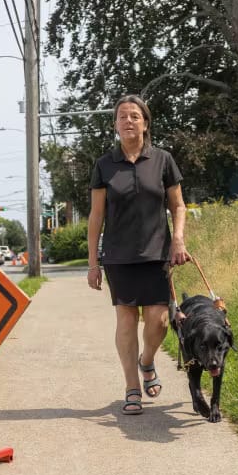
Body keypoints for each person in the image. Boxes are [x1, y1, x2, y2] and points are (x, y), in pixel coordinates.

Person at [86, 95, 189, 415]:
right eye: (121, 117)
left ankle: (147, 362)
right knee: (126, 319)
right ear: (115, 125)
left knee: (158, 321)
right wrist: (93, 262)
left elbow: (178, 206)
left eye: (134, 116)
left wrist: (179, 240)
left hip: (157, 253)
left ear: (145, 123)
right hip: (119, 255)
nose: (127, 121)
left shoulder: (162, 160)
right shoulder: (104, 165)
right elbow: (96, 216)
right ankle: (132, 387)